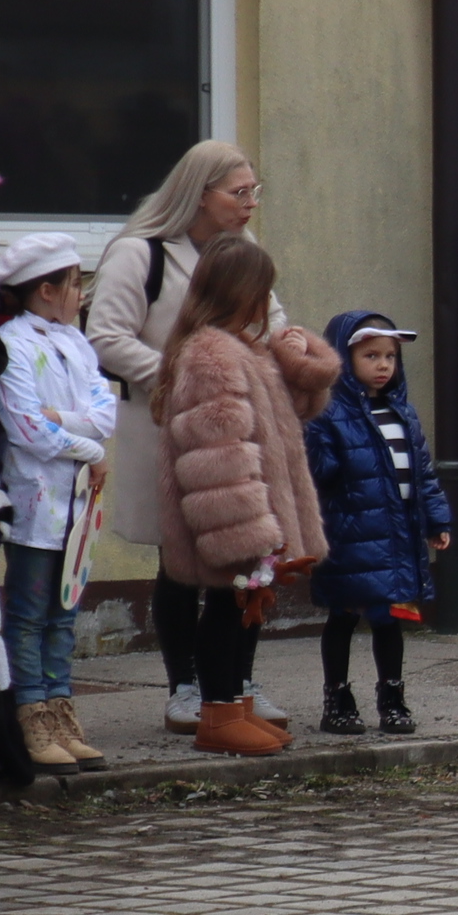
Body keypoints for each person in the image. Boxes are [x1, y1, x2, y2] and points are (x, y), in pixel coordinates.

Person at [87, 141, 282, 729]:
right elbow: (106, 338)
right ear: (199, 194)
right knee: (179, 560)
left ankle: (238, 684)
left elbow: (272, 320)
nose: (250, 203)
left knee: (245, 557)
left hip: (235, 430)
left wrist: (287, 355)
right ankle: (185, 688)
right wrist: (181, 378)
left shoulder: (242, 249)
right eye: (239, 192)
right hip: (166, 428)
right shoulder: (139, 253)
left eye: (254, 191)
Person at [154, 240, 340, 759]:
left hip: (254, 516)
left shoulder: (243, 348)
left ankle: (234, 707)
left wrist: (299, 359)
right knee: (225, 606)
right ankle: (218, 716)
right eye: (264, 290)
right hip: (235, 520)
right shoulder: (212, 355)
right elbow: (219, 450)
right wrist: (244, 530)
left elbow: (294, 409)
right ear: (244, 293)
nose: (269, 301)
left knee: (242, 609)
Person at [0, 233, 118, 770]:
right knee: (28, 613)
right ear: (46, 290)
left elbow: (105, 412)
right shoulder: (12, 345)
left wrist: (61, 419)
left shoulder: (76, 343)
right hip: (34, 502)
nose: (80, 295)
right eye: (74, 284)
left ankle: (62, 709)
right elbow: (26, 428)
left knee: (63, 613)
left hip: (77, 507)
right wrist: (89, 448)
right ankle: (31, 714)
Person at [300, 312, 452, 736]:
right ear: (342, 358)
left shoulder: (403, 414)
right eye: (370, 356)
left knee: (390, 617)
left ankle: (393, 698)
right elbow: (319, 473)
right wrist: (308, 424)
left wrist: (436, 519)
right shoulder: (328, 413)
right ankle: (337, 698)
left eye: (390, 356)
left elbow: (423, 474)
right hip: (348, 535)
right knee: (344, 616)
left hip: (397, 535)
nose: (383, 365)